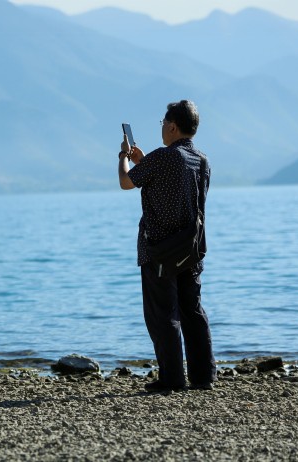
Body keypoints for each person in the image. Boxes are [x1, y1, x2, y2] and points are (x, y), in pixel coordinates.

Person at [117, 100, 216, 392]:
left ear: (172, 126)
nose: (162, 128)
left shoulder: (162, 157)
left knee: (163, 314)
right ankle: (203, 376)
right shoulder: (201, 160)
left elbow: (126, 182)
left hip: (159, 249)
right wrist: (143, 161)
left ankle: (172, 379)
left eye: (163, 123)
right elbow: (174, 184)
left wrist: (123, 157)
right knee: (192, 311)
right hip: (191, 248)